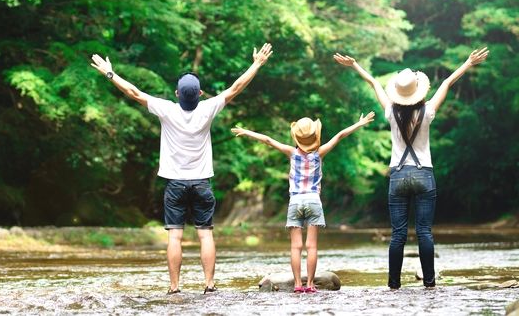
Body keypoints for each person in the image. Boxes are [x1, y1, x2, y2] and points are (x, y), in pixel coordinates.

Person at [89, 43, 273, 295]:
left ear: (177, 93)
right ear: (199, 94)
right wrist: (257, 64)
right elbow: (236, 87)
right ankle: (209, 285)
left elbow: (134, 92)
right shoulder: (208, 108)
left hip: (174, 184)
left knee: (174, 237)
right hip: (201, 183)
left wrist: (109, 73)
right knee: (205, 235)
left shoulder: (166, 109)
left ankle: (174, 288)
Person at [333, 48, 489, 290]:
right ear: (418, 91)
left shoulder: (390, 113)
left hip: (397, 175)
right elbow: (447, 82)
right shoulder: (427, 112)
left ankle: (394, 284)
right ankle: (429, 283)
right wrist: (468, 63)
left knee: (398, 235)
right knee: (425, 232)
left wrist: (354, 65)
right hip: (424, 174)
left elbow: (373, 82)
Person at [231, 111, 375, 293]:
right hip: (314, 201)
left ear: (296, 137)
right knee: (312, 246)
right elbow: (339, 136)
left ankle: (298, 285)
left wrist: (247, 132)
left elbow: (268, 140)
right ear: (315, 136)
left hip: (296, 202)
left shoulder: (291, 153)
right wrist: (359, 123)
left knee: (295, 246)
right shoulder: (319, 153)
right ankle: (310, 285)